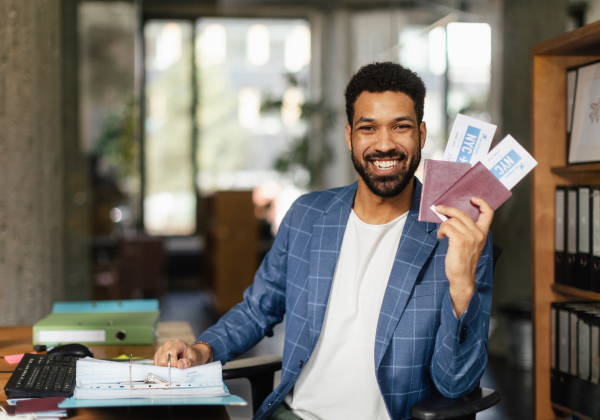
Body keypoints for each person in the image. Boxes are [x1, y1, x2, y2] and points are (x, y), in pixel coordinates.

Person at [154, 62, 494, 420]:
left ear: (421, 135)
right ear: (349, 136)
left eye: (401, 127)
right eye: (368, 128)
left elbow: (456, 385)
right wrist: (202, 350)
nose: (384, 144)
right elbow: (257, 309)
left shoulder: (460, 236)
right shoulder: (307, 215)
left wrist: (461, 287)